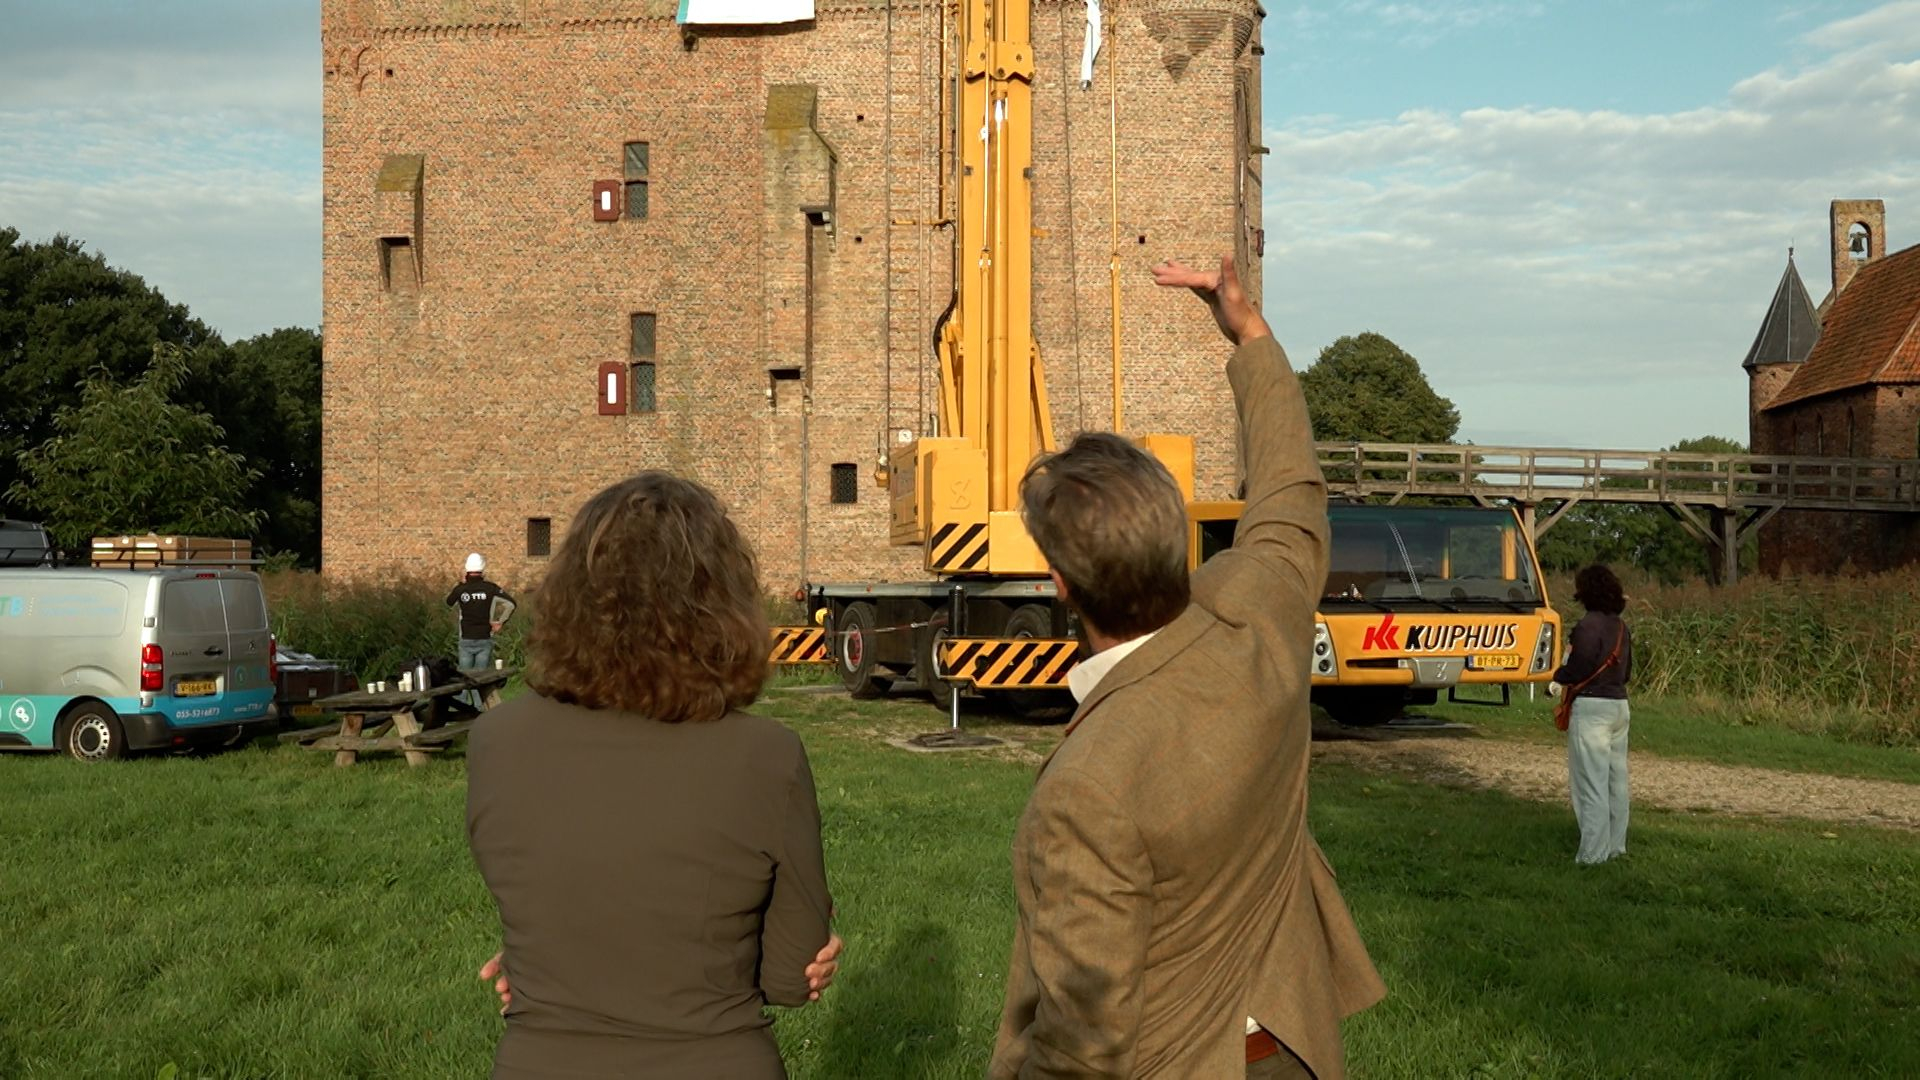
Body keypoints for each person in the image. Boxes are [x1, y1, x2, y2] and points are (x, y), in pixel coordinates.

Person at [990, 255, 1385, 1080]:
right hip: (1294, 1045)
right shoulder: (1256, 618)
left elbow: (1080, 1044)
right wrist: (1249, 334)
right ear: (1175, 537)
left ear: (1060, 584)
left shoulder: (1088, 787)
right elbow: (1290, 500)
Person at [466, 473, 841, 1079]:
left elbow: (559, 904)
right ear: (721, 605)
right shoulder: (768, 757)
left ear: (569, 601)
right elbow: (792, 977)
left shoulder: (493, 743)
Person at [1554, 564, 1634, 865]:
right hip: (1619, 706)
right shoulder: (1621, 628)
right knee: (1616, 781)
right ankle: (1616, 847)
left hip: (1591, 709)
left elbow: (1578, 667)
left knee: (1590, 783)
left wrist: (1557, 676)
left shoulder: (1587, 626)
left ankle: (1591, 855)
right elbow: (1626, 672)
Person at [447, 551, 513, 673]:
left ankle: (465, 693)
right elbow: (511, 603)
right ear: (482, 569)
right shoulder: (490, 588)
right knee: (481, 679)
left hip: (466, 638)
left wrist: (461, 584)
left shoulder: (461, 589)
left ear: (467, 570)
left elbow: (449, 602)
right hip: (484, 638)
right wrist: (500, 621)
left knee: (465, 679)